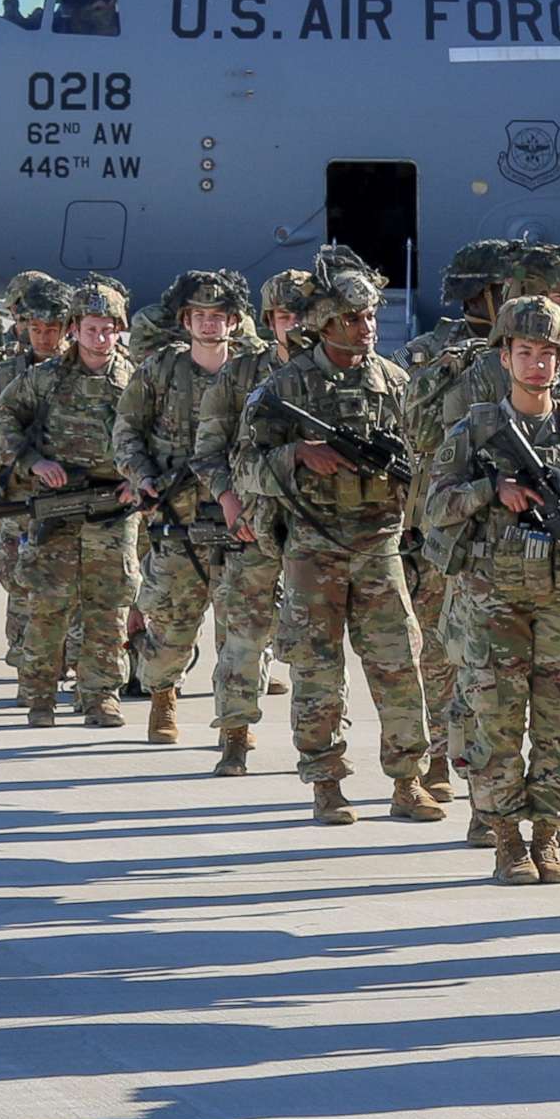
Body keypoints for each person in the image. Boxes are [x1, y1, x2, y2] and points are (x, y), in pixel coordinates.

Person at [422, 296, 560, 882]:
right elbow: (434, 507)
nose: (537, 365)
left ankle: (547, 835)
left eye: (547, 354)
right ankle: (505, 840)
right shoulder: (477, 428)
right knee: (493, 719)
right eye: (525, 353)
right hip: (492, 599)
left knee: (559, 721)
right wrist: (492, 491)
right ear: (504, 356)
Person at [237, 250, 428, 824]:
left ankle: (407, 780)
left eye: (371, 317)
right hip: (314, 549)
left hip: (379, 546)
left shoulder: (393, 382)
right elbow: (245, 465)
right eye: (353, 319)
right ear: (324, 322)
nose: (367, 328)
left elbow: (425, 463)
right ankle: (324, 781)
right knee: (317, 670)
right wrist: (298, 454)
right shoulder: (285, 387)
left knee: (398, 665)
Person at [399, 239, 517, 828]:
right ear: (486, 293)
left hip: (515, 534)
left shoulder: (533, 351)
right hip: (446, 526)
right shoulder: (432, 354)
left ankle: (487, 787)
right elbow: (417, 433)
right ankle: (437, 762)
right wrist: (460, 372)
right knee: (441, 655)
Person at [0, 278, 138, 728]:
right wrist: (33, 462)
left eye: (108, 329)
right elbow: (3, 419)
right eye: (91, 328)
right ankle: (38, 696)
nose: (100, 338)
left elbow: (162, 435)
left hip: (113, 510)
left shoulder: (135, 382)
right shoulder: (45, 378)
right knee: (47, 604)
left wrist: (141, 479)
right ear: (74, 328)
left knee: (108, 605)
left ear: (119, 329)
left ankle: (100, 696)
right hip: (57, 505)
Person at [115, 269, 252, 745]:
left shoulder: (254, 371)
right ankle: (162, 698)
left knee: (244, 629)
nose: (209, 325)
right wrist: (143, 477)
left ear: (234, 322)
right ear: (185, 320)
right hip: (177, 520)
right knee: (172, 626)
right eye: (199, 316)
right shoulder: (160, 370)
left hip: (241, 520)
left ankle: (236, 725)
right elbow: (127, 431)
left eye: (218, 317)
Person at [189, 269, 309, 776]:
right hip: (252, 526)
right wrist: (228, 499)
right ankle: (234, 737)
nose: (293, 326)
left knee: (313, 647)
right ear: (269, 320)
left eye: (302, 315)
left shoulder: (335, 372)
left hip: (317, 530)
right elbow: (208, 450)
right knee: (241, 636)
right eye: (284, 316)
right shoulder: (239, 376)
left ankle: (321, 749)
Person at [0, 277, 74, 684]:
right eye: (36, 329)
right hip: (16, 497)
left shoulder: (83, 371)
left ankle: (68, 664)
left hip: (71, 496)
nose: (44, 338)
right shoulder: (3, 374)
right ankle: (28, 669)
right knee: (21, 584)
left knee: (69, 588)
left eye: (52, 329)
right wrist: (7, 462)